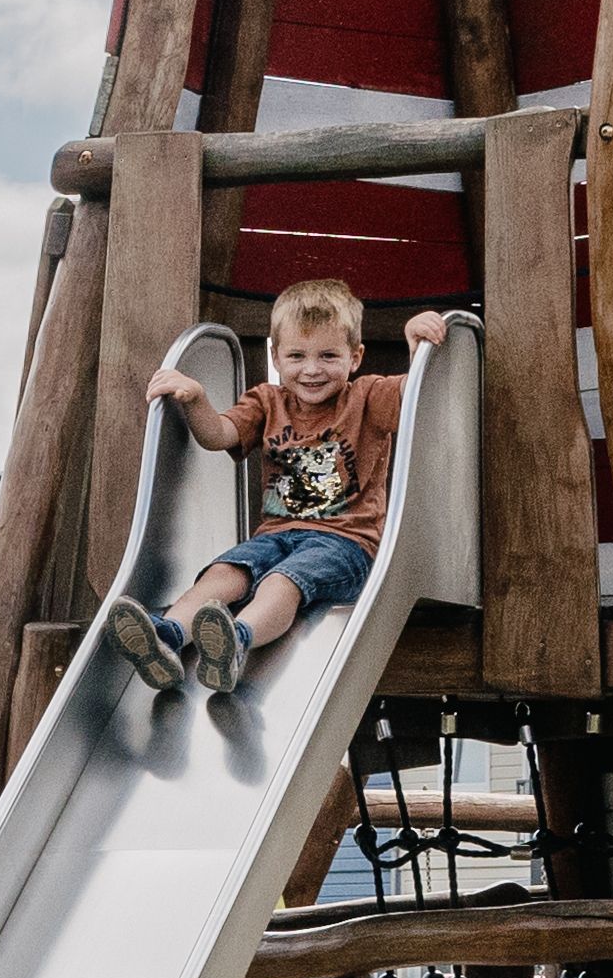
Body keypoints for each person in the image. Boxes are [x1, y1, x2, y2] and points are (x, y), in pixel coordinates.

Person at [112, 278, 446, 699]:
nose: (311, 369)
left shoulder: (367, 397)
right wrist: (194, 398)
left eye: (328, 355)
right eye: (296, 356)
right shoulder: (266, 401)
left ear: (354, 357)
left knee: (281, 582)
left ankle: (237, 641)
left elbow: (420, 395)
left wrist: (417, 348)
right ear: (275, 356)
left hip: (346, 545)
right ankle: (169, 637)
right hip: (275, 535)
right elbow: (218, 435)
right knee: (226, 571)